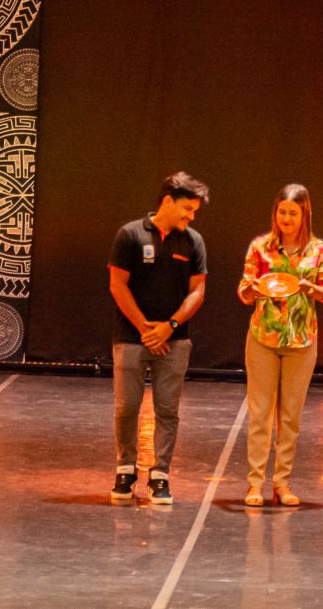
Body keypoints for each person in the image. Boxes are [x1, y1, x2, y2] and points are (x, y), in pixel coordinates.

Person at [107, 171, 210, 505]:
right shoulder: (130, 234)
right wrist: (145, 329)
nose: (191, 217)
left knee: (167, 410)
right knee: (127, 408)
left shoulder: (193, 241)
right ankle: (125, 470)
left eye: (194, 211)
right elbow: (118, 286)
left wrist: (170, 326)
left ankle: (160, 475)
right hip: (131, 338)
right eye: (187, 209)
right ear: (167, 201)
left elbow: (197, 292)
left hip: (175, 341)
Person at [237, 183, 323, 507]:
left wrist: (311, 288)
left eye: (293, 213)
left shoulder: (319, 250)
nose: (287, 219)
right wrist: (252, 290)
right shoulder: (260, 247)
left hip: (301, 340)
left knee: (290, 417)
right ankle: (255, 484)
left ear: (305, 214)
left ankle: (282, 483)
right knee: (260, 415)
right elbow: (243, 291)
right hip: (263, 338)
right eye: (282, 212)